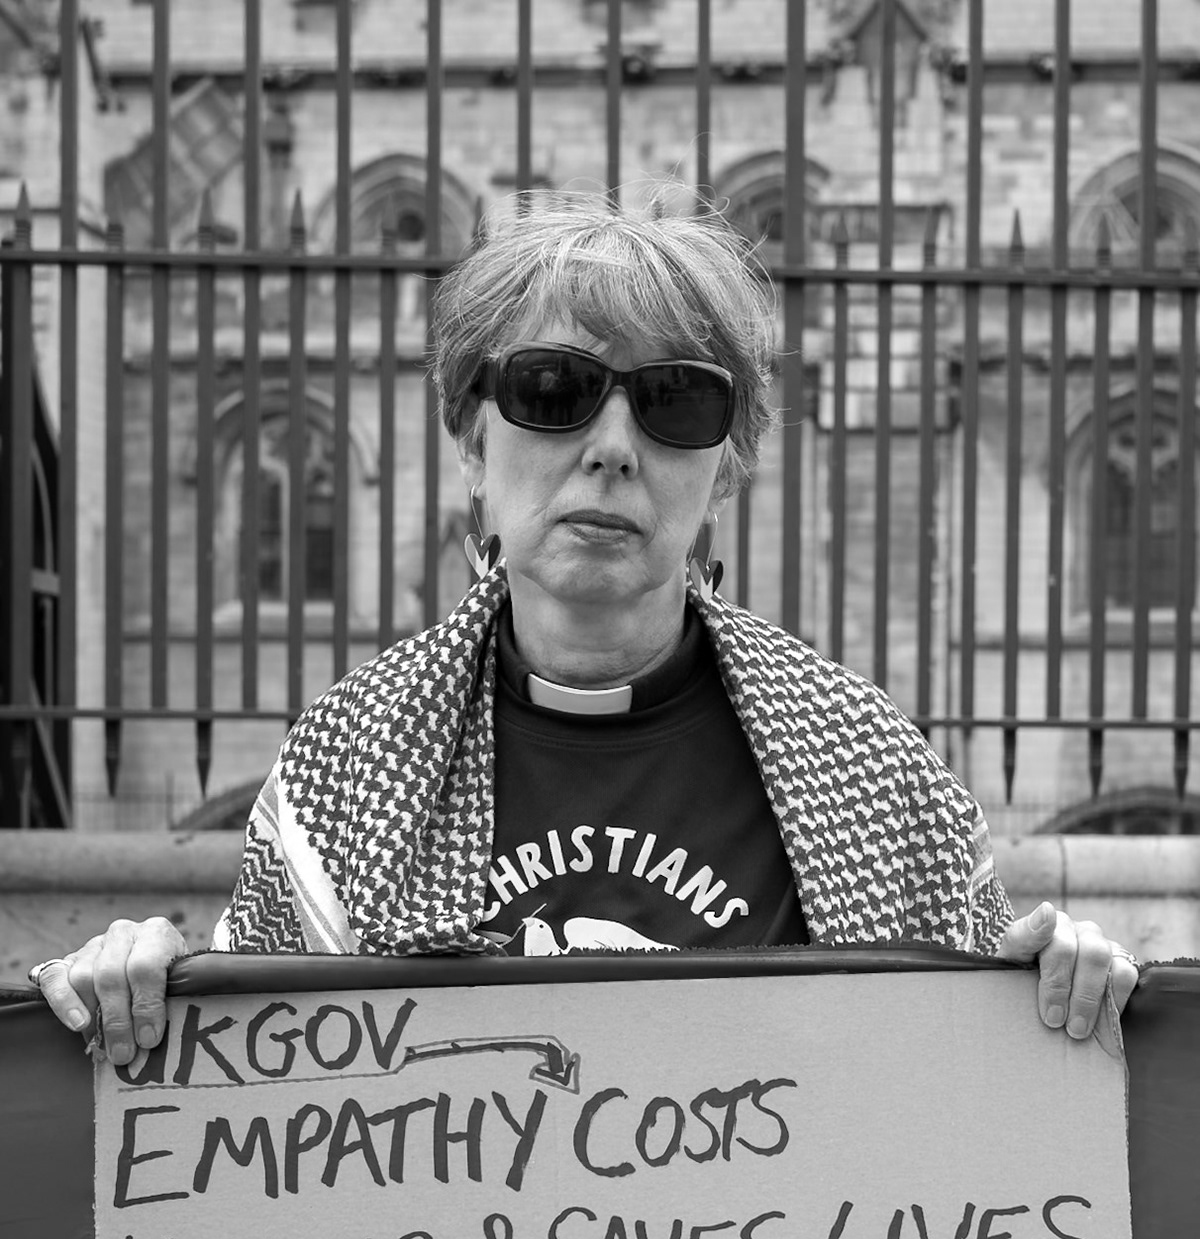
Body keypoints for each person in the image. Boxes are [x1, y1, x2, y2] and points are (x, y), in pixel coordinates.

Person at [31, 192, 1138, 1063]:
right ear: (471, 443)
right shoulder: (351, 751)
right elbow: (248, 1090)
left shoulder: (869, 759)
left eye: (675, 400)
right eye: (555, 389)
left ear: (727, 467)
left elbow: (975, 1089)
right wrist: (139, 983)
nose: (613, 445)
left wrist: (1058, 987)